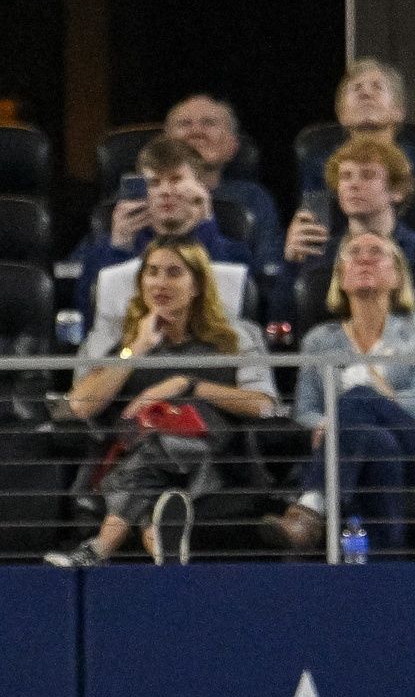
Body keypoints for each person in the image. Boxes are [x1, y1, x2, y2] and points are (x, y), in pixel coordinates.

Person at [45, 241, 277, 567]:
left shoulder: (234, 338)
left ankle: (99, 547)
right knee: (151, 456)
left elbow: (264, 405)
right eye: (151, 272)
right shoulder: (120, 342)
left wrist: (189, 385)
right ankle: (156, 539)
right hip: (146, 460)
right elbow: (79, 407)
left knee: (154, 447)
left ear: (196, 285)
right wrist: (137, 349)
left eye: (173, 273)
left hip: (212, 460)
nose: (159, 283)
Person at [260, 230, 415, 553]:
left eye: (376, 252)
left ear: (397, 276)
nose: (364, 258)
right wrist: (331, 424)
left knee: (358, 399)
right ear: (340, 278)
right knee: (373, 441)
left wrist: (349, 412)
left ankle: (311, 508)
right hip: (358, 454)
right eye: (354, 253)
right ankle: (385, 577)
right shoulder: (318, 341)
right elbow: (305, 411)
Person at [283, 134, 415, 342]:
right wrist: (291, 263)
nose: (353, 185)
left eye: (367, 175)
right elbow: (282, 327)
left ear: (397, 191)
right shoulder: (317, 254)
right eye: (346, 176)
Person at [69, 137, 260, 329]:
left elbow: (230, 309)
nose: (165, 191)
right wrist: (119, 247)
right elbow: (93, 318)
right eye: (154, 183)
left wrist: (206, 227)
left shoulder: (234, 251)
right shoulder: (107, 249)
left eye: (176, 180)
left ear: (200, 187)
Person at [165, 94, 284, 295]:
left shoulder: (253, 199)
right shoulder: (139, 196)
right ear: (164, 142)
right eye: (185, 124)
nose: (196, 132)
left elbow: (263, 277)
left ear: (232, 145)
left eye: (209, 123)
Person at [297, 58, 415, 203]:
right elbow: (316, 223)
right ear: (342, 115)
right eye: (357, 88)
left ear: (398, 111)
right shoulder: (319, 166)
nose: (365, 93)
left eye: (377, 87)